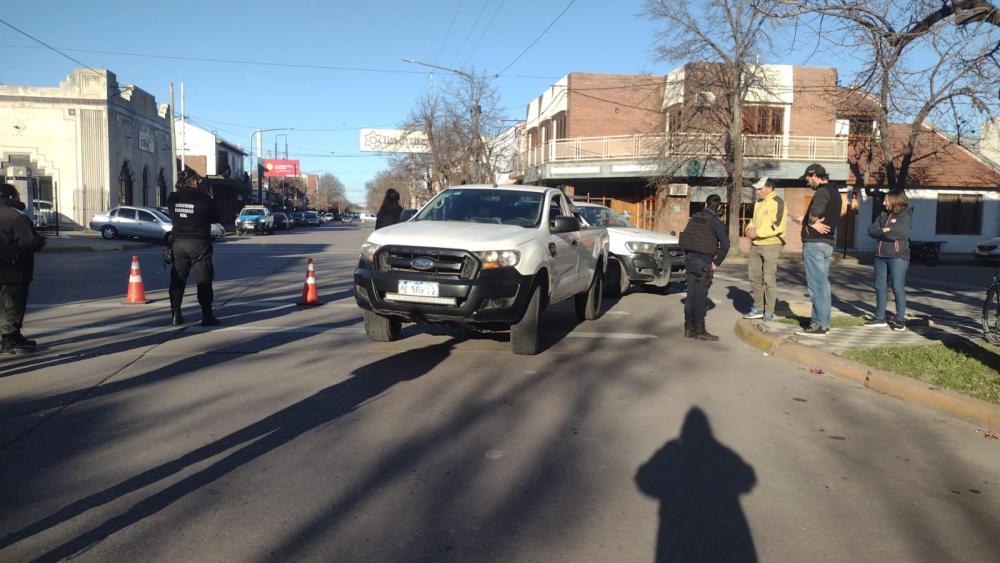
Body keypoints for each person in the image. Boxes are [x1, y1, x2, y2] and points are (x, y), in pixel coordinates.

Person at [791, 163, 842, 337]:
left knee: (816, 286)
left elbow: (815, 212)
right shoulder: (835, 191)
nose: (807, 183)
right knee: (823, 285)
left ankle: (819, 324)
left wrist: (810, 221)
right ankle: (822, 322)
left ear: (813, 174)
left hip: (815, 244)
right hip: (827, 244)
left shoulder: (822, 191)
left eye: (807, 179)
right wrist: (806, 220)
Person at [167, 170, 220, 327]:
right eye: (198, 180)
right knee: (203, 281)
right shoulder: (205, 199)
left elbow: (172, 214)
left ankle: (176, 315)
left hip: (178, 243)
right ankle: (207, 316)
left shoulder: (172, 198)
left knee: (177, 280)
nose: (199, 182)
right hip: (199, 243)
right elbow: (216, 218)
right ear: (194, 181)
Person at [0, 183, 46, 353]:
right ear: (11, 197)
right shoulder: (16, 217)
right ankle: (10, 340)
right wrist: (41, 241)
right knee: (12, 306)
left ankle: (13, 336)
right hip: (13, 270)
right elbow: (29, 241)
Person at [679, 194, 730, 341]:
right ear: (719, 207)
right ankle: (700, 330)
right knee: (700, 297)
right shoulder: (716, 222)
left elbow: (686, 238)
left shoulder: (694, 218)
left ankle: (689, 328)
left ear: (705, 204)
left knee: (690, 296)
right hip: (704, 263)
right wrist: (717, 262)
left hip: (689, 260)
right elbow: (725, 245)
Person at [866, 190, 912, 331]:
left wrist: (884, 231)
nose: (884, 202)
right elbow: (871, 230)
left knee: (897, 287)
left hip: (897, 256)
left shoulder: (904, 214)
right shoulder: (883, 213)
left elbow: (897, 234)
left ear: (894, 200)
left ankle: (900, 320)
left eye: (886, 200)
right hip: (880, 255)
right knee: (880, 287)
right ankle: (880, 317)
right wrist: (883, 230)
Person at [743, 177, 786, 322]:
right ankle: (758, 307)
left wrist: (758, 232)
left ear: (769, 188)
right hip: (756, 245)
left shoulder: (778, 202)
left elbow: (777, 226)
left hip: (771, 245)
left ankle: (769, 311)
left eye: (760, 189)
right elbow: (753, 221)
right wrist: (749, 228)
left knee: (768, 279)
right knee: (754, 276)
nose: (757, 191)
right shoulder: (759, 203)